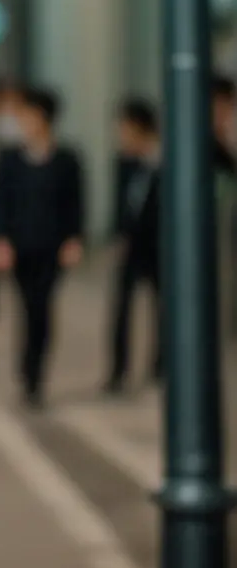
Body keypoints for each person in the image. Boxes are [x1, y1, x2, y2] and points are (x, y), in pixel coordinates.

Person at [0, 88, 83, 409]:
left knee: (42, 309)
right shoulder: (10, 160)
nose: (23, 122)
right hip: (19, 247)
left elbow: (75, 204)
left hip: (52, 248)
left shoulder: (67, 160)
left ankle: (36, 374)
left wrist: (74, 238)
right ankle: (28, 372)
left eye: (28, 116)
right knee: (27, 308)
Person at [104, 98, 161, 394]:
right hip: (131, 244)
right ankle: (118, 370)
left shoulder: (164, 159)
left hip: (159, 244)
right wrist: (118, 236)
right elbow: (120, 204)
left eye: (125, 128)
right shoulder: (124, 161)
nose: (121, 135)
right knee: (121, 308)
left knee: (163, 307)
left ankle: (160, 366)